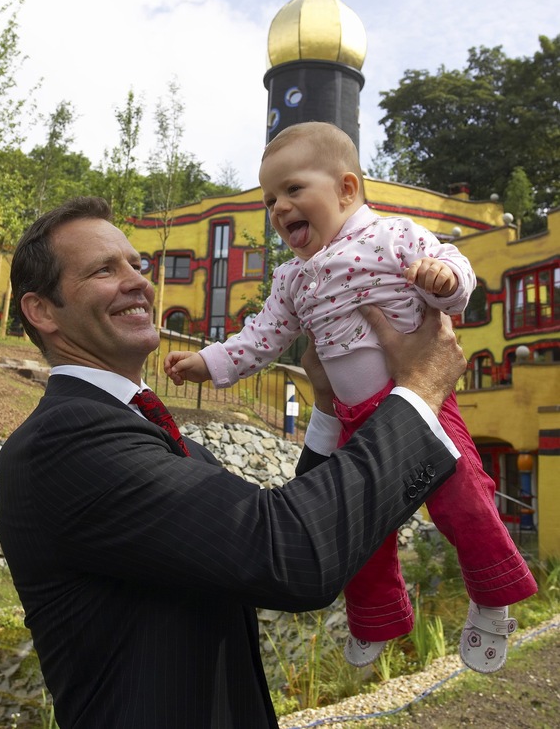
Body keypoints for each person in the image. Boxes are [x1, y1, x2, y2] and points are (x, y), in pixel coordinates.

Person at [0, 195, 465, 729]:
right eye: (104, 269)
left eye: (137, 265)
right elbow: (290, 554)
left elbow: (294, 534)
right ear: (42, 311)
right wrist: (422, 390)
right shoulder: (64, 441)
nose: (139, 282)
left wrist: (330, 408)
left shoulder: (169, 444)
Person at [165, 122, 537, 674]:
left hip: (422, 400)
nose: (279, 208)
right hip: (351, 419)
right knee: (362, 530)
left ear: (345, 189)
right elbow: (261, 336)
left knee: (463, 497)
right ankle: (377, 619)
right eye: (270, 200)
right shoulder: (292, 278)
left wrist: (441, 280)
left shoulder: (392, 237)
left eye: (293, 190)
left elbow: (457, 272)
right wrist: (209, 363)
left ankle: (492, 595)